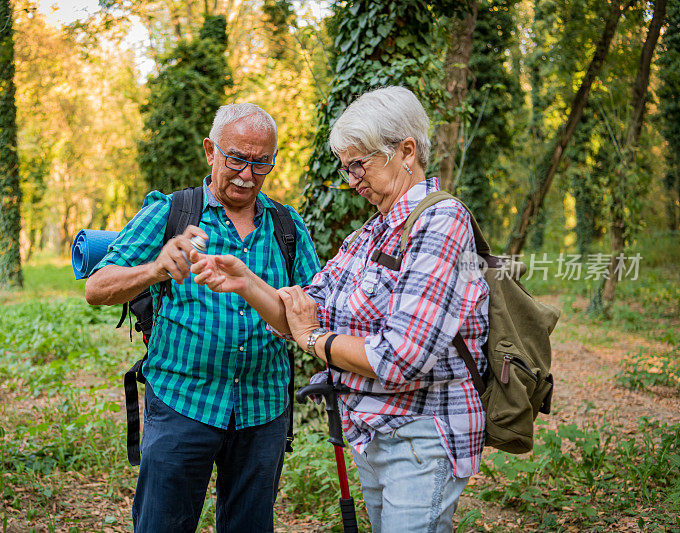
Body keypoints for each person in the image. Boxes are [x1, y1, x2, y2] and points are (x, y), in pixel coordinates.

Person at [192, 86, 490, 532]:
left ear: (406, 150)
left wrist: (315, 339)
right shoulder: (372, 234)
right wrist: (245, 282)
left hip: (421, 437)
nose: (352, 179)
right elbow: (305, 305)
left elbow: (399, 356)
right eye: (346, 166)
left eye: (359, 163)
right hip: (372, 434)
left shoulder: (441, 222)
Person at [84, 103, 320, 532]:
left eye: (260, 162)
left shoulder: (287, 226)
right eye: (236, 159)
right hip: (182, 403)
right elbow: (97, 288)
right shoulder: (172, 212)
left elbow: (315, 311)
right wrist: (156, 268)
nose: (247, 174)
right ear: (210, 150)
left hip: (263, 409)